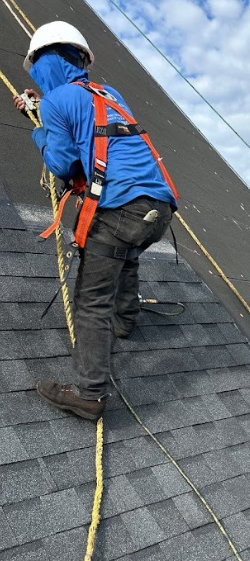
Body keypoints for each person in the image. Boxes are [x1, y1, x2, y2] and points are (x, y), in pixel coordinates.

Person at [13, 21, 178, 421]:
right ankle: (126, 320)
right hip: (160, 207)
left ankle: (89, 394)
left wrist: (39, 129)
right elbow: (91, 126)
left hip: (122, 210)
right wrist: (43, 106)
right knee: (128, 255)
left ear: (43, 63)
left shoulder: (56, 103)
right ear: (80, 59)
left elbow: (62, 163)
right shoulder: (109, 93)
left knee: (90, 302)